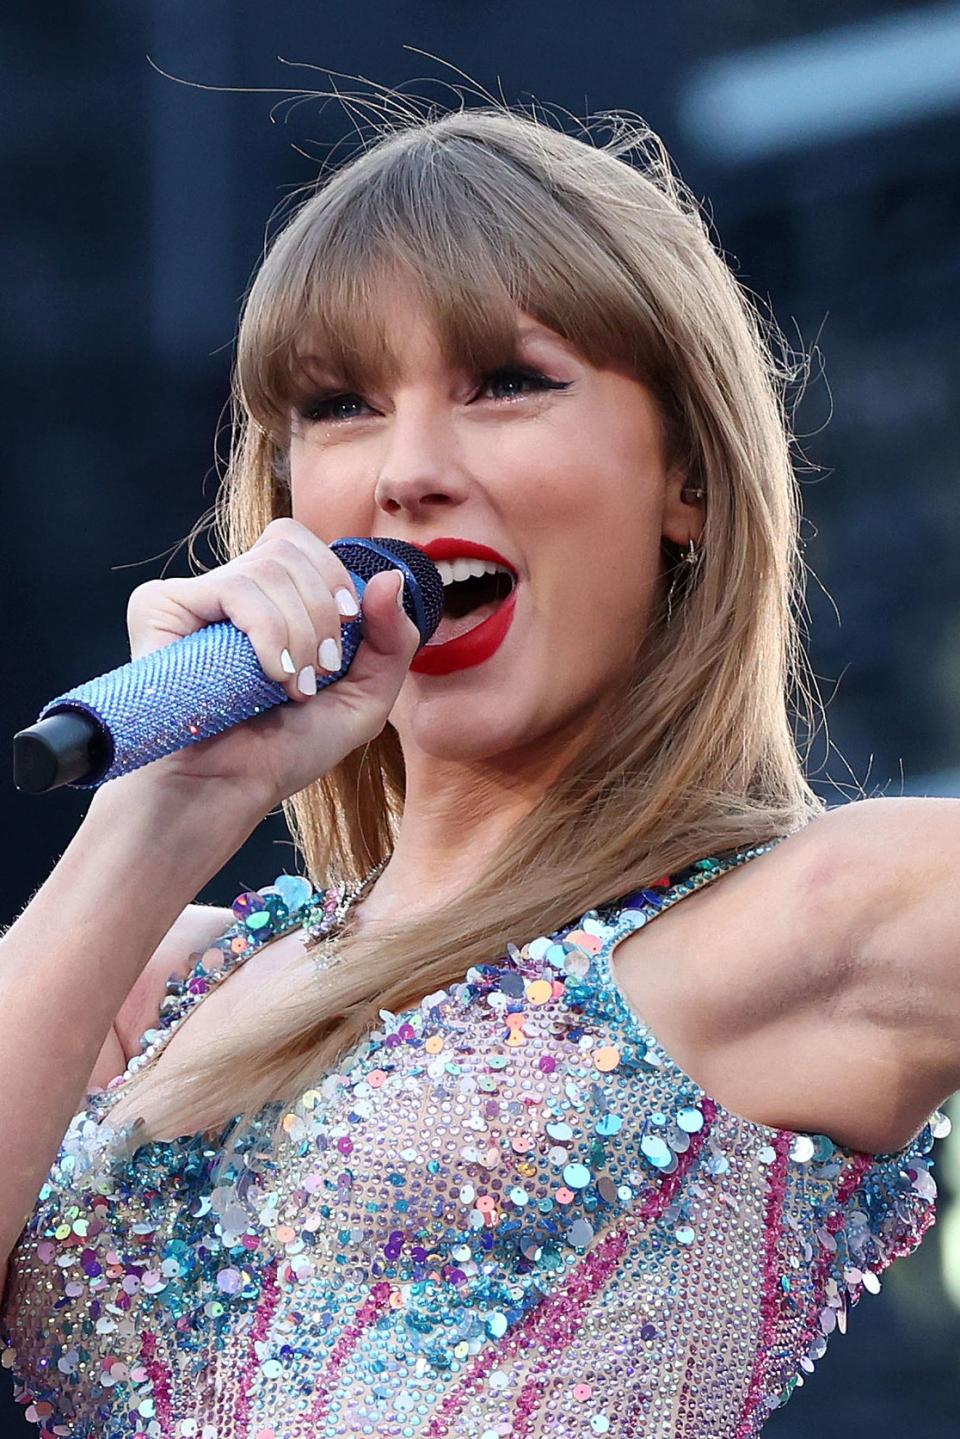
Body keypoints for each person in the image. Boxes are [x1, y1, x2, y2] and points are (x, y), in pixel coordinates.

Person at [0, 100, 955, 1439]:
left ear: (687, 475)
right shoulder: (146, 987)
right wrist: (157, 818)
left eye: (505, 383)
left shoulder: (814, 918)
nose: (408, 473)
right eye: (338, 406)